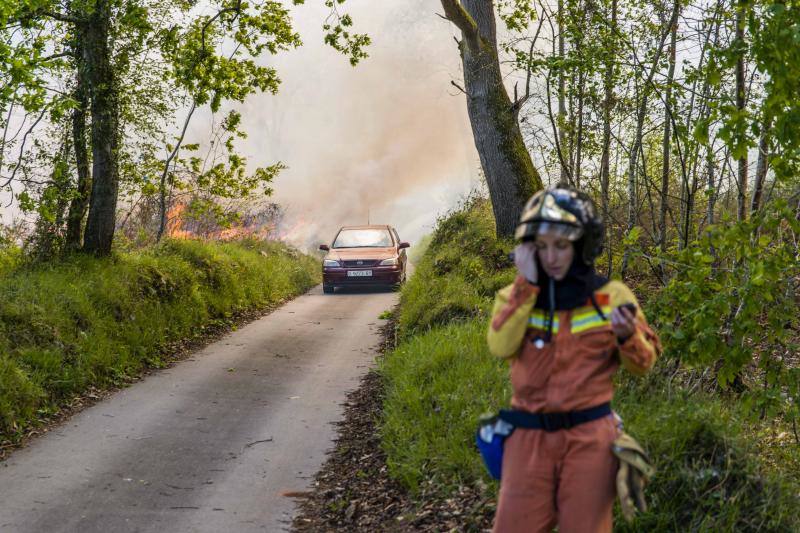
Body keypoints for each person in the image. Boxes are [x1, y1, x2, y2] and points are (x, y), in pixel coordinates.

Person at [486, 187, 662, 533]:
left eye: (561, 246)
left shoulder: (612, 296)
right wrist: (527, 287)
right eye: (541, 247)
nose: (551, 257)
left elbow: (644, 364)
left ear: (581, 246)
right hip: (528, 438)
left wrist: (628, 338)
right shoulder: (514, 295)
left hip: (590, 440)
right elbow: (500, 345)